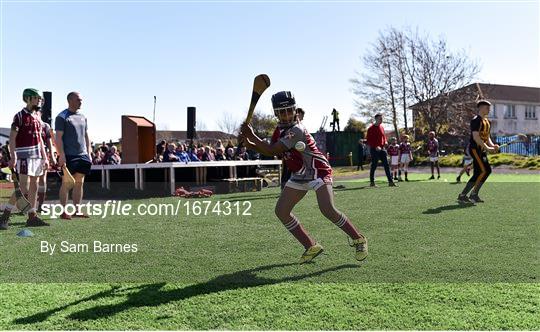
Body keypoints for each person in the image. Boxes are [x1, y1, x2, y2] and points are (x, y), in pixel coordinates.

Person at [239, 91, 367, 263]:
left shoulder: (297, 130)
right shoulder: (279, 130)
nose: (286, 115)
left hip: (318, 171)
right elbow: (271, 149)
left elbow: (273, 150)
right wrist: (249, 142)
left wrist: (251, 135)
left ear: (295, 110)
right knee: (282, 211)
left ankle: (359, 238)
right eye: (281, 112)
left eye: (289, 110)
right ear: (276, 113)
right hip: (299, 174)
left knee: (327, 209)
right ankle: (310, 245)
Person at [1, 88, 50, 229]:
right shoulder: (19, 116)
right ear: (28, 98)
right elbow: (12, 138)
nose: (39, 100)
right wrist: (13, 156)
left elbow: (40, 139)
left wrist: (45, 157)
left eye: (39, 98)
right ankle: (5, 216)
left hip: (37, 157)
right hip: (23, 157)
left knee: (34, 186)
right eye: (36, 98)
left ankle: (32, 216)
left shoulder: (37, 117)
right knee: (23, 188)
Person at [55, 91, 92, 219]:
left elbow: (86, 135)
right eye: (78, 100)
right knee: (67, 184)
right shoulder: (62, 117)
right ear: (70, 100)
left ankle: (77, 210)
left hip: (82, 155)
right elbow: (58, 138)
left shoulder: (83, 116)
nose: (81, 102)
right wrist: (61, 155)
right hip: (69, 155)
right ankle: (64, 211)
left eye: (81, 100)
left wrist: (89, 152)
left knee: (79, 183)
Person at [457, 100, 499, 203]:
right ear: (480, 108)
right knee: (482, 171)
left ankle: (473, 194)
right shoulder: (476, 120)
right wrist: (487, 148)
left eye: (489, 108)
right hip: (475, 149)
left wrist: (492, 145)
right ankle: (464, 195)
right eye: (487, 108)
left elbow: (487, 137)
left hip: (482, 150)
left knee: (486, 171)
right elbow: (476, 137)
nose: (489, 110)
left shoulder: (487, 122)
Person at [366, 114, 397, 187]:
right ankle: (372, 182)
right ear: (376, 119)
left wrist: (385, 141)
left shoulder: (382, 127)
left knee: (386, 165)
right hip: (374, 149)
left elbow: (384, 137)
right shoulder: (371, 128)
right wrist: (375, 146)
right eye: (380, 119)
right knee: (374, 165)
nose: (382, 120)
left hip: (382, 149)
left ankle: (390, 182)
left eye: (382, 118)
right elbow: (369, 140)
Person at [36, 109, 56, 211]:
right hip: (30, 155)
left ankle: (41, 205)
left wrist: (52, 156)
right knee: (30, 181)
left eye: (37, 112)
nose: (35, 114)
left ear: (41, 114)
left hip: (43, 156)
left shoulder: (46, 126)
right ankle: (28, 206)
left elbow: (50, 143)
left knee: (42, 180)